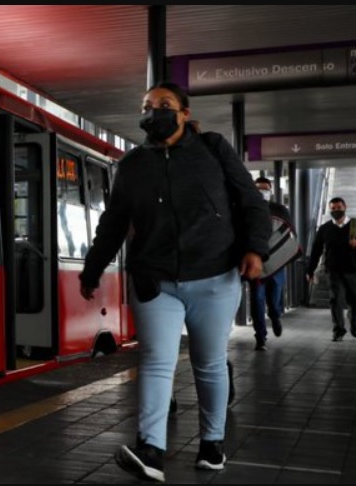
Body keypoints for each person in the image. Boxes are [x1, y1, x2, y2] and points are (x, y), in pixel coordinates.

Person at [79, 82, 270, 483]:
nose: (153, 112)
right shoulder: (132, 165)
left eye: (163, 105)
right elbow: (112, 224)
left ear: (184, 113)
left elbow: (250, 201)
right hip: (154, 279)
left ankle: (212, 444)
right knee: (155, 361)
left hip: (214, 275)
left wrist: (255, 249)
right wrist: (92, 269)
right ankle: (150, 449)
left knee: (209, 364)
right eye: (147, 106)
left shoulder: (213, 149)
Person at [306, 197, 356, 341]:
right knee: (336, 300)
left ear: (345, 207)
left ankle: (354, 323)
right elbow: (316, 251)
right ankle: (338, 330)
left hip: (353, 269)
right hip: (333, 270)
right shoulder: (324, 228)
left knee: (354, 300)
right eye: (333, 208)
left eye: (338, 208)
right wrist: (310, 270)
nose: (336, 211)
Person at [250, 176, 295, 350]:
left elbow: (290, 231)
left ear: (271, 190)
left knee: (274, 296)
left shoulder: (279, 209)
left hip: (277, 264)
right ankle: (260, 337)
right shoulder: (248, 209)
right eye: (258, 188)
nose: (262, 191)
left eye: (265, 188)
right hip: (257, 264)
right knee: (257, 299)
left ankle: (275, 315)